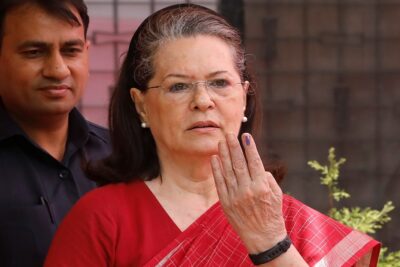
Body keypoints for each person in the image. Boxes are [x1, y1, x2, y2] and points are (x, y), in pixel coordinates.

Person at [45, 4, 380, 267]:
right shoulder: (104, 218)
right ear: (141, 105)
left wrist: (271, 243)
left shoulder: (282, 216)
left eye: (220, 83)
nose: (203, 101)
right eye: (178, 86)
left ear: (245, 96)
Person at [0, 0, 110, 266]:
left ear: (87, 52)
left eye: (71, 51)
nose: (58, 70)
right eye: (35, 52)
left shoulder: (120, 156)